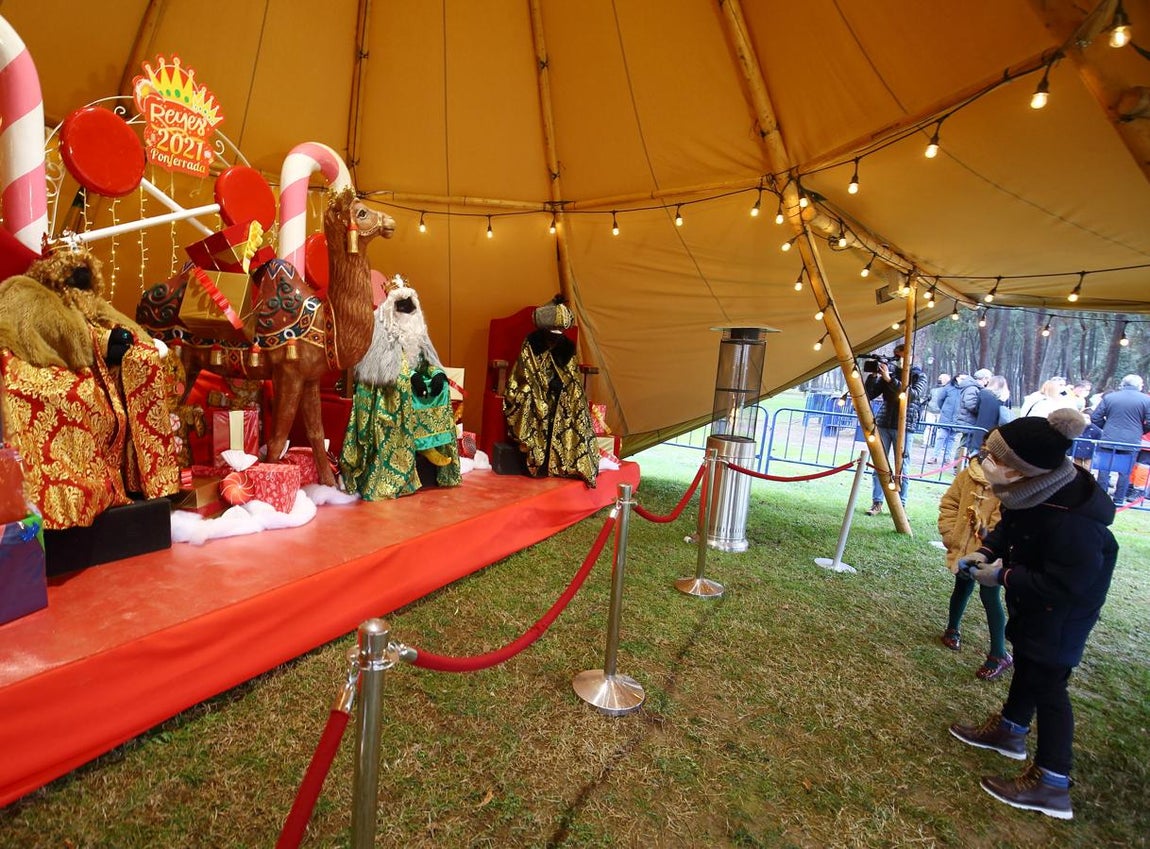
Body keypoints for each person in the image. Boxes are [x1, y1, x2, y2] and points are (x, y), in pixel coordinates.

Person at [948, 409, 1117, 821]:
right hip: (1038, 599)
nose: (986, 459)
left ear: (1018, 468)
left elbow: (1066, 584)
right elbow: (1011, 525)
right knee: (1028, 657)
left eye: (995, 456)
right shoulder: (1031, 489)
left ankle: (1052, 781)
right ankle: (1011, 729)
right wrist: (987, 552)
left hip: (1064, 609)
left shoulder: (1075, 520)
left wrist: (1002, 575)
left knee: (1049, 682)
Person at [937, 453, 1010, 680]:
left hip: (991, 554)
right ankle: (952, 628)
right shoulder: (966, 476)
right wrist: (952, 535)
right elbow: (949, 504)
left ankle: (999, 652)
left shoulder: (1008, 483)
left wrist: (989, 539)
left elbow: (1007, 522)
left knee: (990, 597)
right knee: (962, 587)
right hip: (963, 548)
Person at [862, 342, 928, 515]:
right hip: (884, 422)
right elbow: (869, 394)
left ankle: (901, 505)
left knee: (902, 467)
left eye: (900, 356)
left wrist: (890, 380)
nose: (897, 359)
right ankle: (877, 502)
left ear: (910, 357)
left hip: (905, 425)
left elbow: (912, 395)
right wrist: (875, 376)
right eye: (896, 355)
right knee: (879, 463)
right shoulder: (888, 372)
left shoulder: (919, 375)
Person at [1090, 374, 1150, 505]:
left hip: (1109, 438)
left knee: (1104, 470)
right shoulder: (1146, 400)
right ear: (1139, 386)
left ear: (1123, 384)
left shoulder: (1110, 397)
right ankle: (1118, 499)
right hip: (1131, 440)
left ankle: (1100, 498)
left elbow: (1095, 417)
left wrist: (1106, 428)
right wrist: (1139, 431)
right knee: (1125, 472)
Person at [954, 368, 992, 461]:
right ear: (984, 378)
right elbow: (970, 405)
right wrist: (982, 409)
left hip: (969, 421)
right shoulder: (972, 388)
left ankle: (960, 464)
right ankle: (957, 465)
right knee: (965, 445)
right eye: (987, 379)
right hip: (968, 421)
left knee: (966, 444)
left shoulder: (974, 388)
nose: (988, 382)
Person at [928, 374, 963, 465]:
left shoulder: (965, 390)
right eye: (962, 378)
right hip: (946, 417)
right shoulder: (948, 388)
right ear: (957, 378)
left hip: (957, 418)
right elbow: (940, 400)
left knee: (951, 439)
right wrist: (945, 410)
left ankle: (947, 458)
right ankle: (934, 456)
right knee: (941, 437)